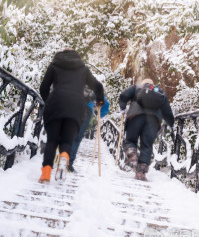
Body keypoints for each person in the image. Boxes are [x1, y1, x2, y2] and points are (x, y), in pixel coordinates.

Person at [38, 48, 104, 182]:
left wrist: (49, 102)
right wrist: (100, 100)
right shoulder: (83, 69)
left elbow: (44, 87)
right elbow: (98, 86)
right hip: (76, 106)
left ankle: (46, 173)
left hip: (56, 102)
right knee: (67, 140)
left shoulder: (54, 65)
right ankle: (64, 156)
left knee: (52, 140)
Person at [118, 78, 174, 181]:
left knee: (130, 140)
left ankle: (132, 155)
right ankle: (141, 172)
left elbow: (123, 95)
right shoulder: (159, 92)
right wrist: (171, 124)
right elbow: (167, 109)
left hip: (135, 116)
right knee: (147, 145)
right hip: (153, 120)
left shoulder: (137, 87)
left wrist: (122, 107)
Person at [68, 89, 110, 172]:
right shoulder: (94, 86)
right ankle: (68, 163)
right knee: (76, 138)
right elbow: (105, 103)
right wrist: (100, 114)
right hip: (85, 112)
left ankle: (61, 156)